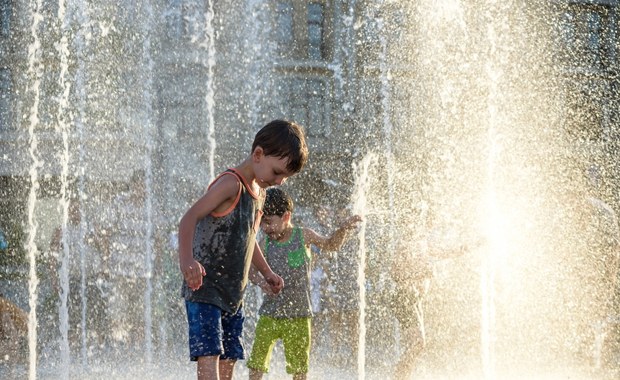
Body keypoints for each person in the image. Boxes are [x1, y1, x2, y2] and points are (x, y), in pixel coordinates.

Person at [178, 119, 308, 380]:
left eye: (285, 177)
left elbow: (248, 240)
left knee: (229, 359)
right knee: (210, 356)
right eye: (277, 172)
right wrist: (187, 261)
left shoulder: (259, 194)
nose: (280, 181)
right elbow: (189, 218)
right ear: (258, 154)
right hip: (205, 288)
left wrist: (267, 272)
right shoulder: (231, 185)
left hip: (233, 294)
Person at [246, 187, 362, 380]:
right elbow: (250, 268)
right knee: (257, 363)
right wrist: (261, 283)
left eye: (269, 222)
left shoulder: (304, 236)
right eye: (262, 223)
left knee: (299, 370)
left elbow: (331, 245)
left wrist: (343, 229)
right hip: (269, 314)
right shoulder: (264, 242)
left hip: (299, 316)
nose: (266, 228)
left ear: (285, 216)